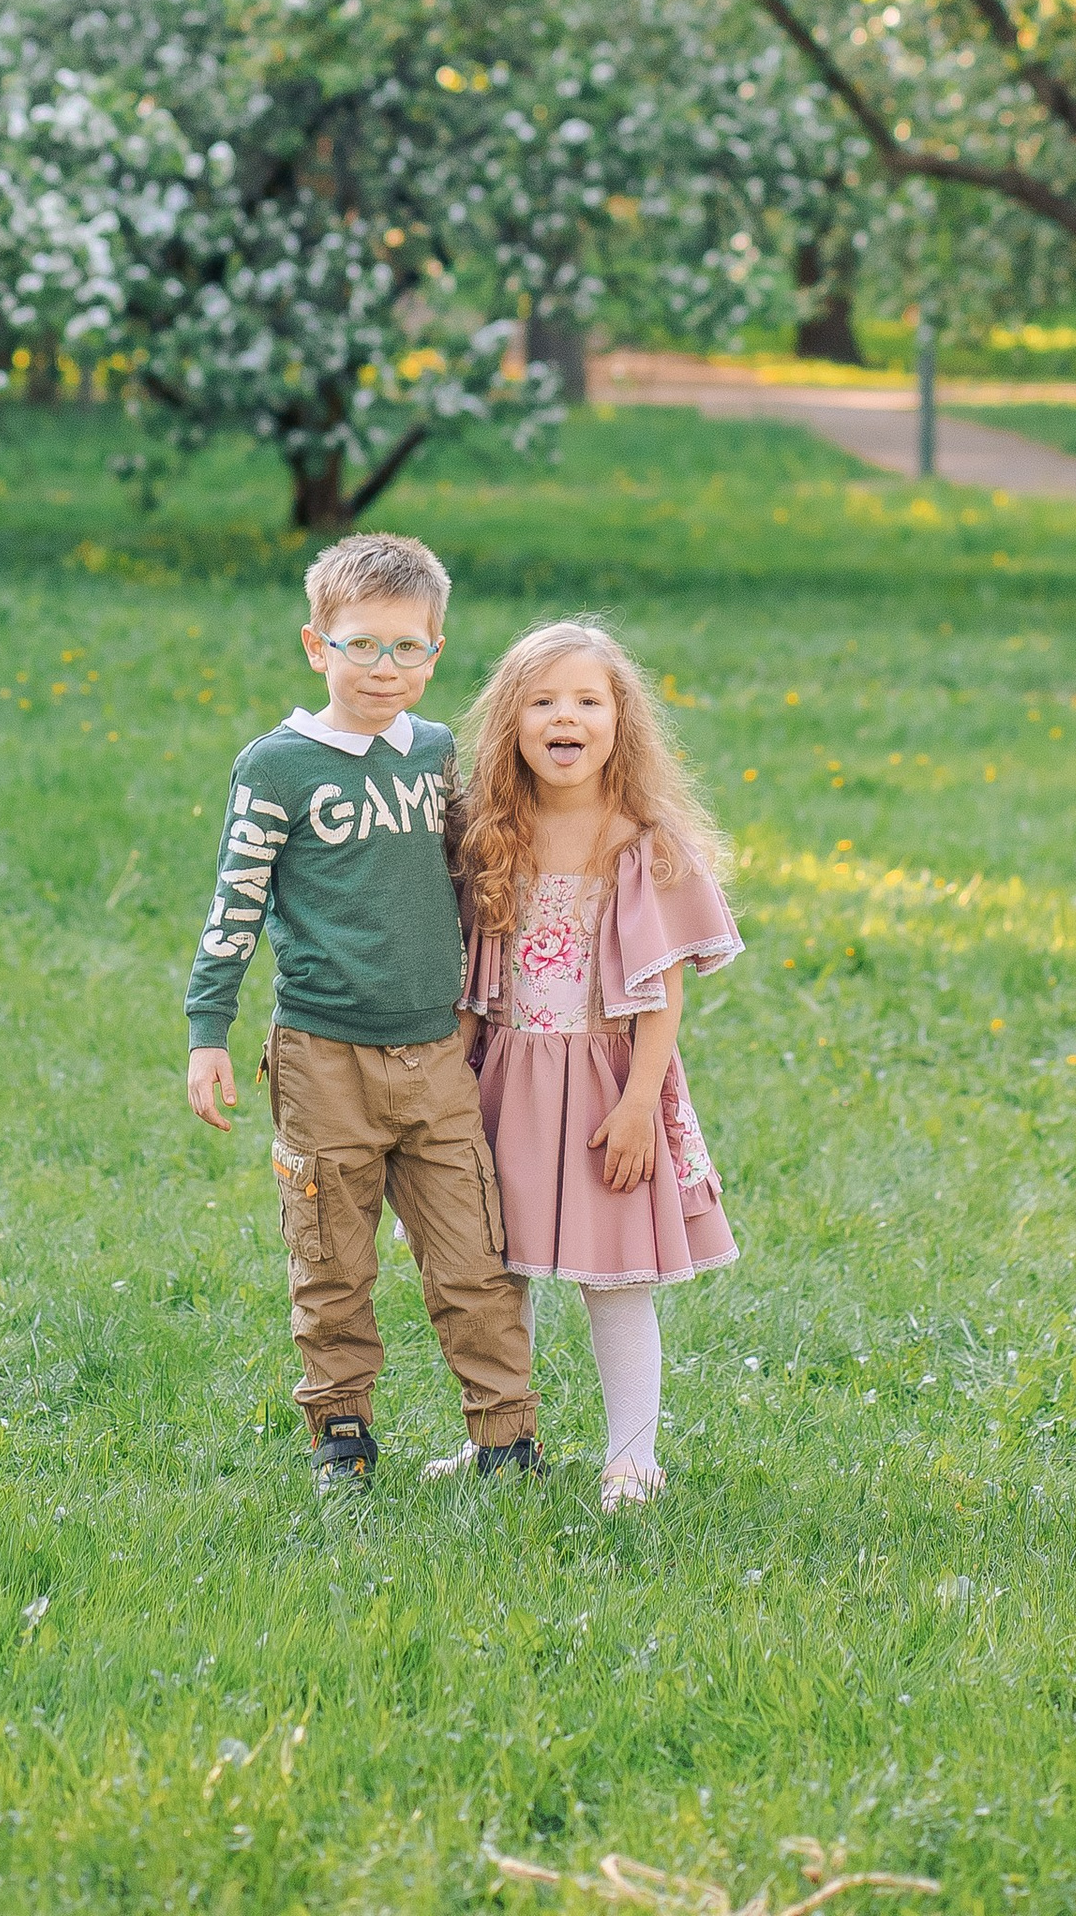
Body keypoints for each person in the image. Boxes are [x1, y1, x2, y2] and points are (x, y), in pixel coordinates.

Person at [182, 529, 542, 1490]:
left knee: (474, 1256)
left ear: (435, 652)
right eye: (361, 646)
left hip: (433, 1054)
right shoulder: (278, 769)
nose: (385, 668)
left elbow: (472, 875)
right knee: (333, 1257)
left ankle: (507, 1437)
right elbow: (236, 903)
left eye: (408, 648)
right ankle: (341, 1431)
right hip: (321, 1056)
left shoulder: (432, 753)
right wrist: (207, 1031)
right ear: (317, 646)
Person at [453, 618, 742, 1509]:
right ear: (512, 724)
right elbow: (470, 973)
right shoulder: (491, 835)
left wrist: (638, 1106)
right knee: (496, 1274)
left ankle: (632, 1456)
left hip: (611, 1089)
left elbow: (661, 994)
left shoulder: (639, 845)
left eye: (587, 700)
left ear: (622, 722)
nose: (564, 716)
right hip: (504, 1082)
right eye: (542, 701)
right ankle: (502, 1439)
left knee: (614, 1276)